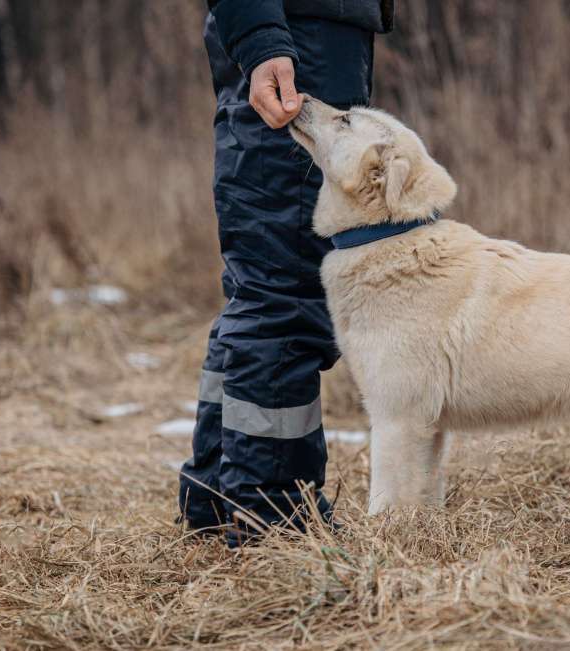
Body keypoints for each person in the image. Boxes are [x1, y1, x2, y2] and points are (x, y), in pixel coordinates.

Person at [179, 1, 394, 546]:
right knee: (285, 297)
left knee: (260, 288)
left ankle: (219, 499)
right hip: (296, 42)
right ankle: (271, 516)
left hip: (298, 36)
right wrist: (264, 42)